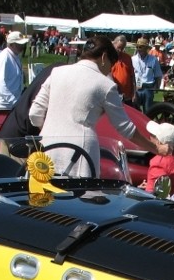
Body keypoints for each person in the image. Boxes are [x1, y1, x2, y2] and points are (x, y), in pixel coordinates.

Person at [28, 35, 166, 178]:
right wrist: (156, 148)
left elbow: (35, 113)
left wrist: (51, 132)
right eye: (110, 65)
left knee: (44, 198)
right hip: (81, 155)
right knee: (82, 197)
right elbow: (126, 128)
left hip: (45, 150)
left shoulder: (57, 72)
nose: (109, 71)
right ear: (104, 57)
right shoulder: (105, 85)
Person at [144, 120, 174, 195]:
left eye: (152, 135)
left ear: (159, 142)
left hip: (171, 201)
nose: (149, 136)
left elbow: (151, 195)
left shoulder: (158, 164)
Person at [0, 31, 26, 109]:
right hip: (4, 105)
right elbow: (1, 85)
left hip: (12, 104)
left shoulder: (16, 56)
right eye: (19, 44)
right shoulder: (4, 57)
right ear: (12, 44)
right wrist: (15, 101)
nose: (22, 46)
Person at [132, 38, 163, 113]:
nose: (139, 49)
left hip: (149, 89)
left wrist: (157, 91)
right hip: (137, 89)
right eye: (137, 47)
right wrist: (132, 92)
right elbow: (131, 76)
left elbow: (158, 76)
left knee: (149, 112)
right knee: (135, 113)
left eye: (141, 47)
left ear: (146, 48)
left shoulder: (153, 60)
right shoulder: (132, 59)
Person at [111, 35, 136, 105]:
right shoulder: (108, 58)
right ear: (114, 44)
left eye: (122, 48)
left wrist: (134, 93)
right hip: (114, 95)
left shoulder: (127, 58)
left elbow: (132, 76)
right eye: (119, 47)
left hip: (127, 97)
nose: (120, 50)